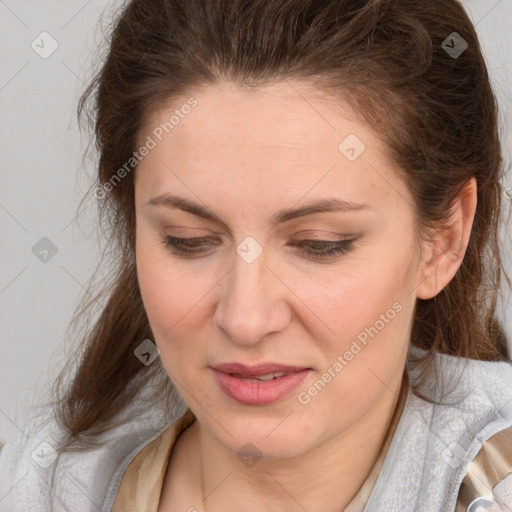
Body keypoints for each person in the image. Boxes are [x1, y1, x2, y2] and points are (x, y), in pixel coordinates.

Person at [1, 0, 511, 510]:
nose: (245, 320)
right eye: (188, 239)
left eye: (319, 245)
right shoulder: (37, 483)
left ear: (444, 239)